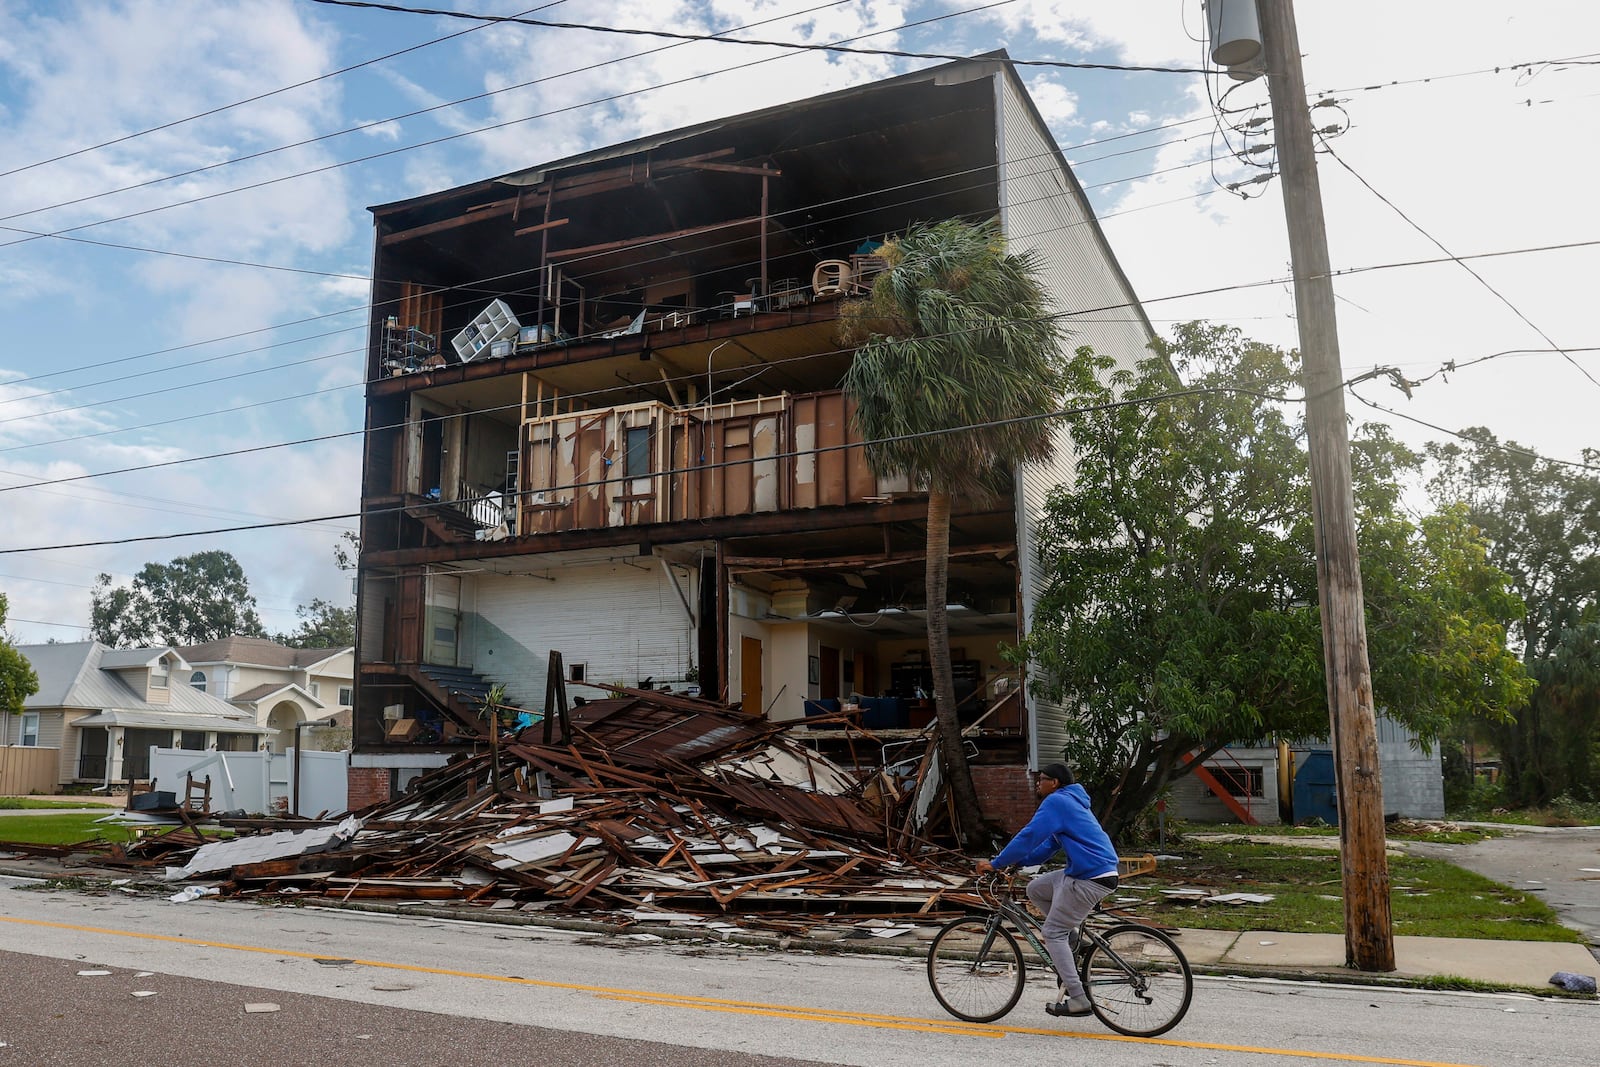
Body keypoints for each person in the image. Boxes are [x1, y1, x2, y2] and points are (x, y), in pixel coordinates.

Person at [975, 762, 1120, 1018]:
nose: (1038, 783)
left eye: (1042, 779)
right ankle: (1075, 942)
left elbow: (1028, 835)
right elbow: (1047, 846)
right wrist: (1019, 862)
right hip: (1094, 870)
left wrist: (997, 863)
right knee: (1037, 888)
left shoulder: (1057, 802)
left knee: (1052, 932)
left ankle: (1078, 999)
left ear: (1054, 783)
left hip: (1091, 876)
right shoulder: (1070, 801)